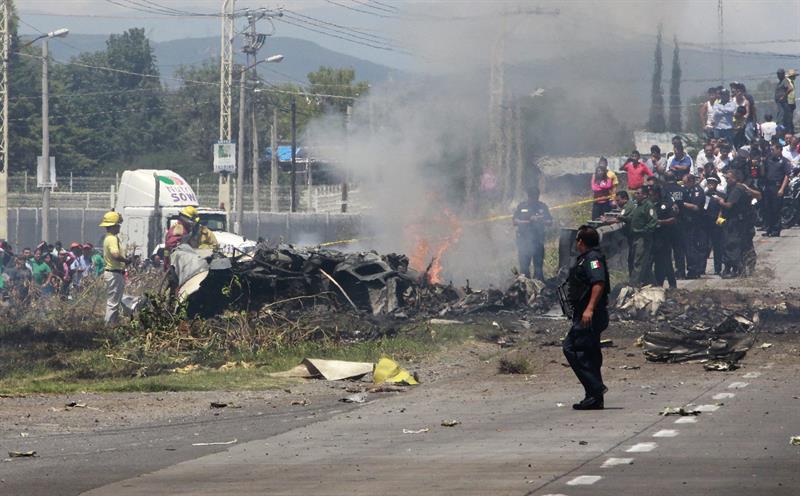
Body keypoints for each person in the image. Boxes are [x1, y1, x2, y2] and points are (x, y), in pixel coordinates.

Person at [562, 225, 610, 411]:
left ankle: (596, 388)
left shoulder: (593, 259)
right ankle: (594, 398)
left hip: (590, 315)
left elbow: (598, 282)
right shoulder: (586, 259)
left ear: (581, 241)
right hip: (585, 313)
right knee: (589, 353)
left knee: (571, 347)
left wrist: (589, 309)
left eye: (577, 240)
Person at [619, 186, 657, 286]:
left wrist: (644, 230)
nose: (636, 195)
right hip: (635, 236)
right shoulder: (637, 205)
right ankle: (653, 284)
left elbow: (653, 221)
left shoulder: (648, 205)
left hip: (643, 237)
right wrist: (622, 218)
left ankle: (633, 284)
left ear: (644, 195)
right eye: (635, 193)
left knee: (638, 262)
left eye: (638, 193)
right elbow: (631, 218)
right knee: (642, 263)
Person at [512, 188, 552, 280]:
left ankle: (539, 287)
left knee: (538, 269)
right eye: (532, 197)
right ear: (528, 196)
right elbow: (515, 221)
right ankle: (525, 286)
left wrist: (541, 220)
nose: (534, 199)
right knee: (524, 269)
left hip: (538, 241)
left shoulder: (542, 206)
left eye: (536, 197)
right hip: (524, 241)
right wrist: (529, 221)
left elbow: (550, 222)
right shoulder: (522, 206)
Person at [100, 211, 131, 325]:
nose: (119, 227)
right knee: (113, 303)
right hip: (114, 273)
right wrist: (126, 260)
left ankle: (113, 324)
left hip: (113, 273)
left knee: (115, 301)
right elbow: (115, 255)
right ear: (113, 226)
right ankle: (108, 326)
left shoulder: (108, 238)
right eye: (118, 224)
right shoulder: (112, 238)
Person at [762, 142, 791, 237]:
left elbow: (787, 176)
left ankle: (776, 229)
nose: (772, 151)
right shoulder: (768, 160)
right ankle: (768, 228)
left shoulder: (784, 161)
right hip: (768, 186)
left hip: (777, 187)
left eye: (773, 150)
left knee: (776, 209)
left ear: (779, 150)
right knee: (767, 208)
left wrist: (782, 189)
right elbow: (764, 172)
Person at [680, 173, 707, 278]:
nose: (684, 184)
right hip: (687, 223)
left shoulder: (697, 191)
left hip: (695, 223)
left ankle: (695, 270)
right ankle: (692, 269)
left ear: (690, 181)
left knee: (693, 247)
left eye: (685, 182)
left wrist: (682, 204)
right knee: (688, 247)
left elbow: (696, 207)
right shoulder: (687, 190)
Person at [651, 184, 677, 289]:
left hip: (665, 235)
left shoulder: (665, 204)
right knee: (657, 261)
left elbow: (673, 219)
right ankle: (659, 282)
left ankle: (672, 283)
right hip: (654, 236)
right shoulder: (650, 205)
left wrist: (661, 222)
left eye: (652, 194)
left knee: (666, 260)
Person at [662, 173, 687, 279]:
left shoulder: (663, 190)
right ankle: (681, 272)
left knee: (666, 250)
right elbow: (685, 204)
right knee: (679, 249)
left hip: (667, 223)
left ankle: (668, 272)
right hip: (680, 222)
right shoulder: (682, 190)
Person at [702, 177, 725, 275]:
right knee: (704, 246)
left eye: (713, 183)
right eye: (709, 183)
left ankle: (717, 268)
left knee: (717, 247)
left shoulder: (721, 195)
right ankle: (701, 268)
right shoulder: (704, 195)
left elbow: (723, 210)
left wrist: (720, 221)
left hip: (717, 223)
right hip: (706, 222)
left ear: (716, 184)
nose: (710, 185)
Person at [787, 69, 797, 134]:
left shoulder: (792, 82)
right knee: (789, 118)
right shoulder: (788, 82)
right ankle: (790, 131)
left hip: (792, 102)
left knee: (791, 118)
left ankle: (791, 130)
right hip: (788, 103)